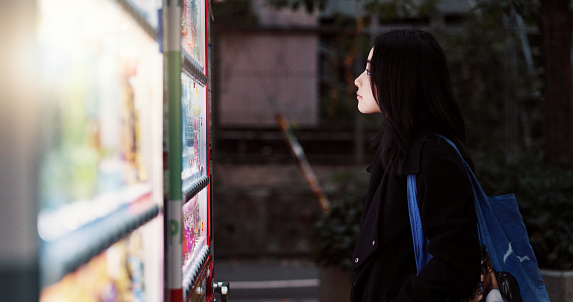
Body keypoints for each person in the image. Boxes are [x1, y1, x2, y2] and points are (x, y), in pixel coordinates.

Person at [351, 28, 481, 301]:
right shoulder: (399, 150)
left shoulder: (433, 156)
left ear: (400, 79)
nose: (357, 80)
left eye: (370, 71)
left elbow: (456, 263)